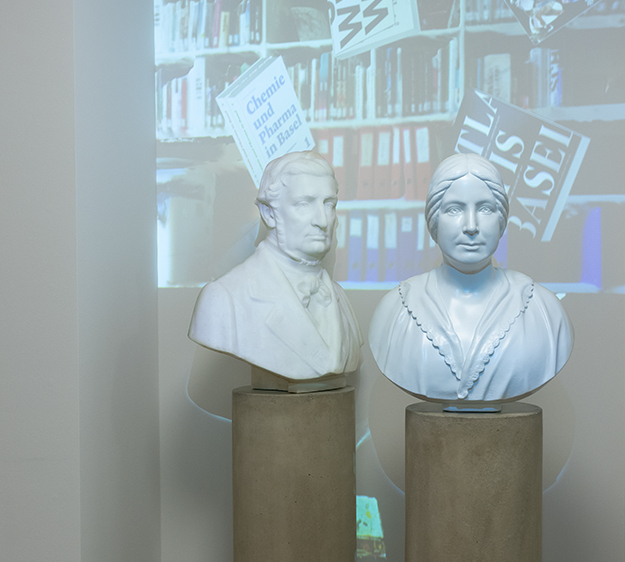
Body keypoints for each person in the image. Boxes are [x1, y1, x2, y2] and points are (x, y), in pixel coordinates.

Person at [368, 153, 572, 402]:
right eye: (455, 209)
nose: (471, 226)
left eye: (485, 209)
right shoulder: (396, 309)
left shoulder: (543, 309)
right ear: (434, 220)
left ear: (501, 220)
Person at [189, 150, 361, 382]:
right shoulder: (223, 299)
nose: (322, 220)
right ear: (269, 214)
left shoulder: (339, 298)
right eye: (304, 204)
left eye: (329, 204)